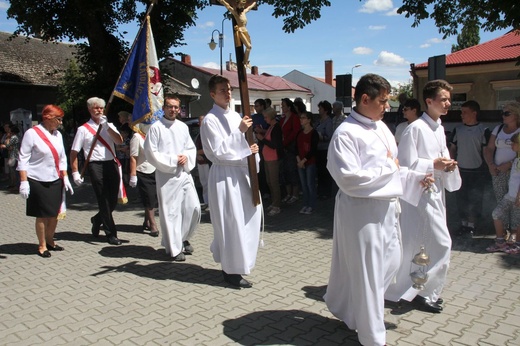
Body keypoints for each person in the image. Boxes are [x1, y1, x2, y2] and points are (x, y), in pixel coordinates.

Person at [325, 73, 414, 346]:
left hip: (386, 209)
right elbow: (349, 179)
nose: (387, 107)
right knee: (368, 275)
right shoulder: (345, 133)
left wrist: (419, 174)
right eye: (384, 101)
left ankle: (352, 312)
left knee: (392, 263)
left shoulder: (381, 127)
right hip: (361, 212)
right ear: (365, 99)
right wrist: (389, 168)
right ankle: (372, 338)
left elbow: (395, 165)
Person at [385, 79, 461, 314]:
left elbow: (440, 156)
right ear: (429, 101)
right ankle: (423, 291)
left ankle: (417, 288)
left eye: (449, 99)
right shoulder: (415, 128)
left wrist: (447, 165)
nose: (448, 103)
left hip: (435, 191)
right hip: (420, 193)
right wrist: (433, 165)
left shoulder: (438, 127)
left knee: (424, 243)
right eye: (443, 99)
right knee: (440, 242)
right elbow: (405, 165)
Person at [200, 75, 261, 288]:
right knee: (231, 222)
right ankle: (231, 270)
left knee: (247, 219)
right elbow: (218, 152)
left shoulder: (236, 116)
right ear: (212, 94)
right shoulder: (210, 120)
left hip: (242, 174)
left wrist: (252, 151)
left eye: (229, 89)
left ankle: (241, 262)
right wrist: (240, 133)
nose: (228, 93)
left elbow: (245, 143)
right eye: (222, 90)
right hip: (225, 177)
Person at [144, 95, 200, 262]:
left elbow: (190, 147)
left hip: (184, 173)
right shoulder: (156, 128)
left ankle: (182, 238)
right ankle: (174, 249)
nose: (173, 110)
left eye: (176, 107)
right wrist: (173, 160)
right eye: (170, 106)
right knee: (171, 212)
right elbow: (151, 152)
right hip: (166, 175)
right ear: (164, 108)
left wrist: (186, 157)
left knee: (193, 208)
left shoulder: (183, 127)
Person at [18, 105, 74, 257]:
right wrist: (24, 182)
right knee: (42, 214)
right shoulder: (32, 133)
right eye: (58, 119)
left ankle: (50, 240)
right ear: (48, 118)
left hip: (55, 178)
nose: (60, 122)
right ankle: (42, 245)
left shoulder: (58, 135)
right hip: (37, 179)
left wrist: (66, 177)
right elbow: (23, 158)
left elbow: (62, 158)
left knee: (54, 213)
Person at [70, 97, 125, 246]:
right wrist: (75, 172)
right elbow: (74, 152)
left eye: (101, 108)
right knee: (103, 198)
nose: (99, 110)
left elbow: (119, 141)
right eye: (96, 108)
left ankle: (97, 219)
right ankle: (111, 233)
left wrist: (106, 127)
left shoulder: (109, 125)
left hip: (111, 163)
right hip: (95, 165)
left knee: (113, 200)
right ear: (89, 109)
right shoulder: (83, 129)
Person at [449, 100, 490, 236]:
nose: (462, 115)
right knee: (461, 199)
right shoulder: (458, 129)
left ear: (474, 113)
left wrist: (489, 167)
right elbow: (453, 149)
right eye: (461, 112)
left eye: (465, 112)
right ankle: (463, 224)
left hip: (477, 171)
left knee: (475, 199)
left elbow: (486, 151)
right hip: (461, 171)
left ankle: (473, 225)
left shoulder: (483, 130)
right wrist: (451, 164)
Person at [484, 102, 520, 252]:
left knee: (515, 205)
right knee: (501, 201)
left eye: (507, 113)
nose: (503, 116)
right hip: (497, 172)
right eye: (503, 113)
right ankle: (502, 234)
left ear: (516, 115)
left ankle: (514, 235)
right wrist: (491, 165)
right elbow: (489, 148)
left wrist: (510, 164)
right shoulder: (498, 129)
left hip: (514, 172)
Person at [129, 122, 159, 237]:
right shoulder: (137, 137)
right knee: (149, 197)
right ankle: (152, 224)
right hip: (143, 171)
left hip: (156, 170)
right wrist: (133, 174)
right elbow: (133, 156)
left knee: (153, 198)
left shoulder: (153, 136)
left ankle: (146, 221)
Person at [255, 107, 283, 216]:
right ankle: (274, 202)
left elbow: (274, 145)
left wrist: (262, 139)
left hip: (273, 158)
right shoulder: (270, 127)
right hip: (267, 158)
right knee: (269, 181)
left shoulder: (276, 128)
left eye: (266, 117)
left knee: (274, 182)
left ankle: (277, 205)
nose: (264, 119)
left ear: (271, 117)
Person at [217, 0, 257, 68]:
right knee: (249, 46)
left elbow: (249, 7)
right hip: (240, 31)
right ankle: (245, 62)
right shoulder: (235, 12)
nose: (242, 6)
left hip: (245, 30)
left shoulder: (243, 12)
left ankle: (246, 61)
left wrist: (254, 3)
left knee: (249, 47)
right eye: (241, 5)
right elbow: (228, 6)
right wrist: (222, 1)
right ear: (238, 4)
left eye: (243, 5)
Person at [296, 111, 318, 215]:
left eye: (303, 118)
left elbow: (313, 149)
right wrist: (299, 161)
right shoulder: (299, 133)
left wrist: (304, 160)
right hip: (300, 162)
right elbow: (296, 147)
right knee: (304, 185)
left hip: (310, 162)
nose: (301, 120)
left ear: (309, 120)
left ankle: (312, 205)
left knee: (310, 184)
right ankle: (305, 204)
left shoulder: (314, 133)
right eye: (301, 118)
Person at [280, 98, 301, 204]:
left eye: (284, 106)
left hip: (291, 148)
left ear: (289, 107)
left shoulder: (294, 117)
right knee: (285, 172)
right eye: (281, 106)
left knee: (292, 171)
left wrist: (285, 142)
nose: (282, 108)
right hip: (284, 148)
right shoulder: (283, 119)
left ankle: (295, 194)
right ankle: (288, 194)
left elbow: (295, 132)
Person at [315, 100, 333, 199]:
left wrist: (320, 136)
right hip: (318, 149)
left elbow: (329, 136)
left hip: (325, 149)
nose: (319, 110)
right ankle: (320, 191)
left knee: (325, 172)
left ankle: (326, 192)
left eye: (320, 108)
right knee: (320, 172)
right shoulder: (318, 121)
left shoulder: (328, 122)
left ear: (325, 110)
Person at [252, 98, 269, 198]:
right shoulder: (253, 117)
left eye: (257, 105)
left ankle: (266, 191)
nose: (255, 107)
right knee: (257, 169)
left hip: (265, 146)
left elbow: (271, 131)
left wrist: (261, 131)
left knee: (265, 170)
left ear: (262, 106)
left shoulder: (266, 117)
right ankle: (259, 190)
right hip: (255, 146)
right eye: (254, 105)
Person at [195, 115, 211, 209]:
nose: (201, 122)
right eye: (200, 120)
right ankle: (206, 202)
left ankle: (211, 202)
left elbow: (208, 148)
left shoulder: (208, 133)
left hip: (208, 161)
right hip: (200, 161)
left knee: (209, 183)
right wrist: (196, 155)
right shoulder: (199, 134)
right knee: (204, 183)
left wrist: (196, 152)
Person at [0, 124, 21, 191]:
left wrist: (7, 139)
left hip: (13, 155)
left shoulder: (13, 137)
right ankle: (13, 184)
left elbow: (7, 145)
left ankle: (15, 185)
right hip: (15, 155)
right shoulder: (17, 136)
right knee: (13, 171)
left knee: (13, 171)